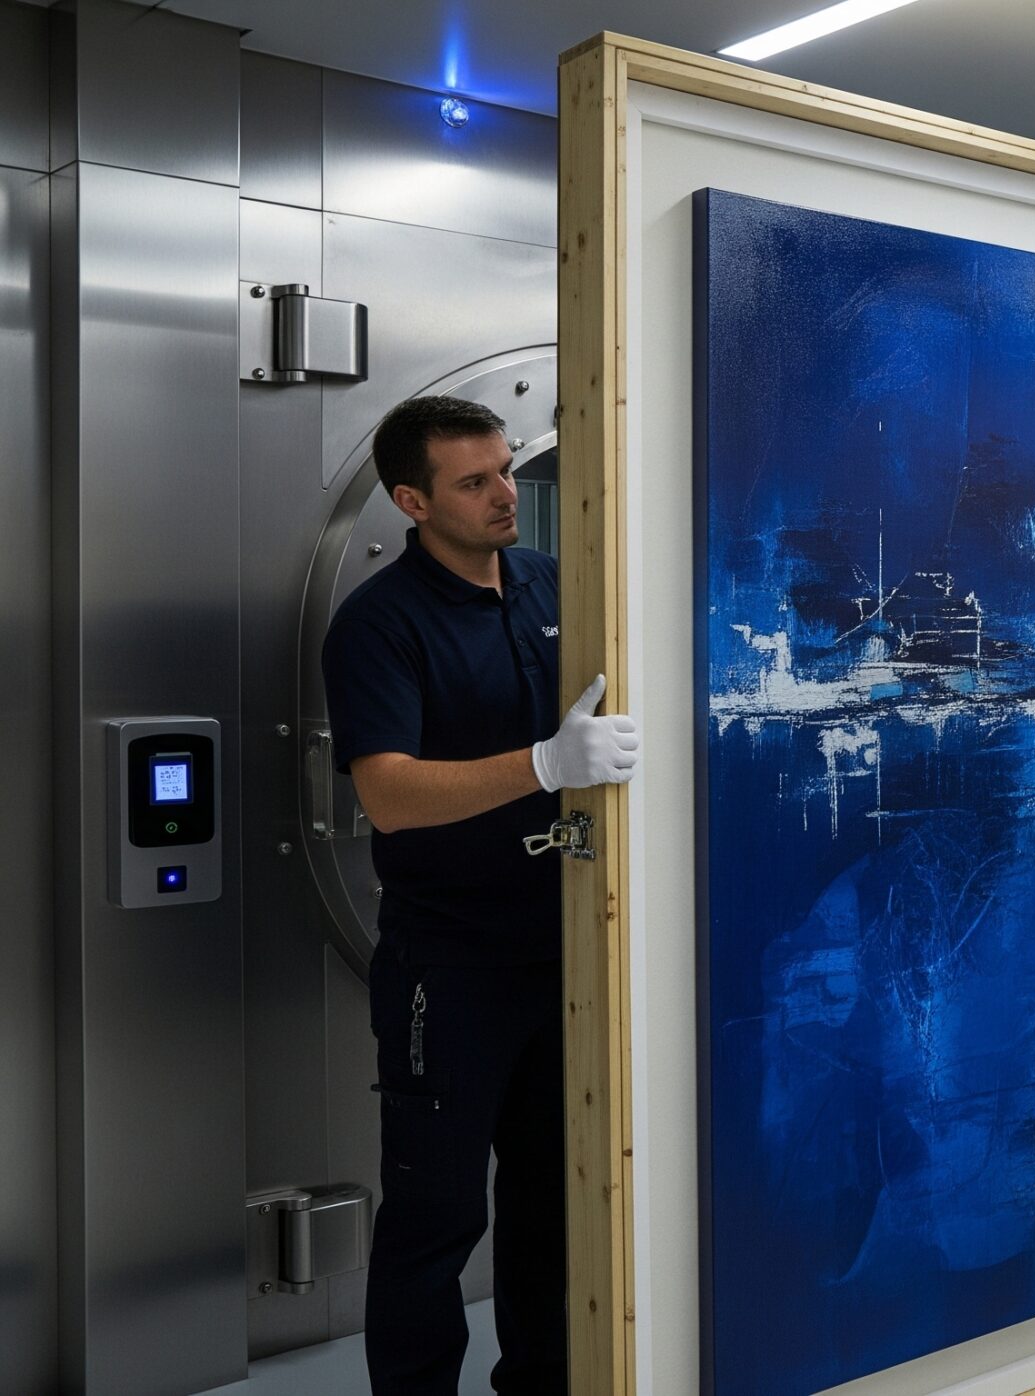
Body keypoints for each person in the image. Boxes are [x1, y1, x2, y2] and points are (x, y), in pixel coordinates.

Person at [323, 395, 641, 1395]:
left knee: (556, 1206)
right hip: (449, 967)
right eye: (475, 481)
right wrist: (545, 761)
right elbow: (388, 790)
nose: (508, 493)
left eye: (507, 469)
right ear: (413, 500)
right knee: (436, 1214)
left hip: (570, 953)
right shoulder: (378, 624)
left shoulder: (555, 586)